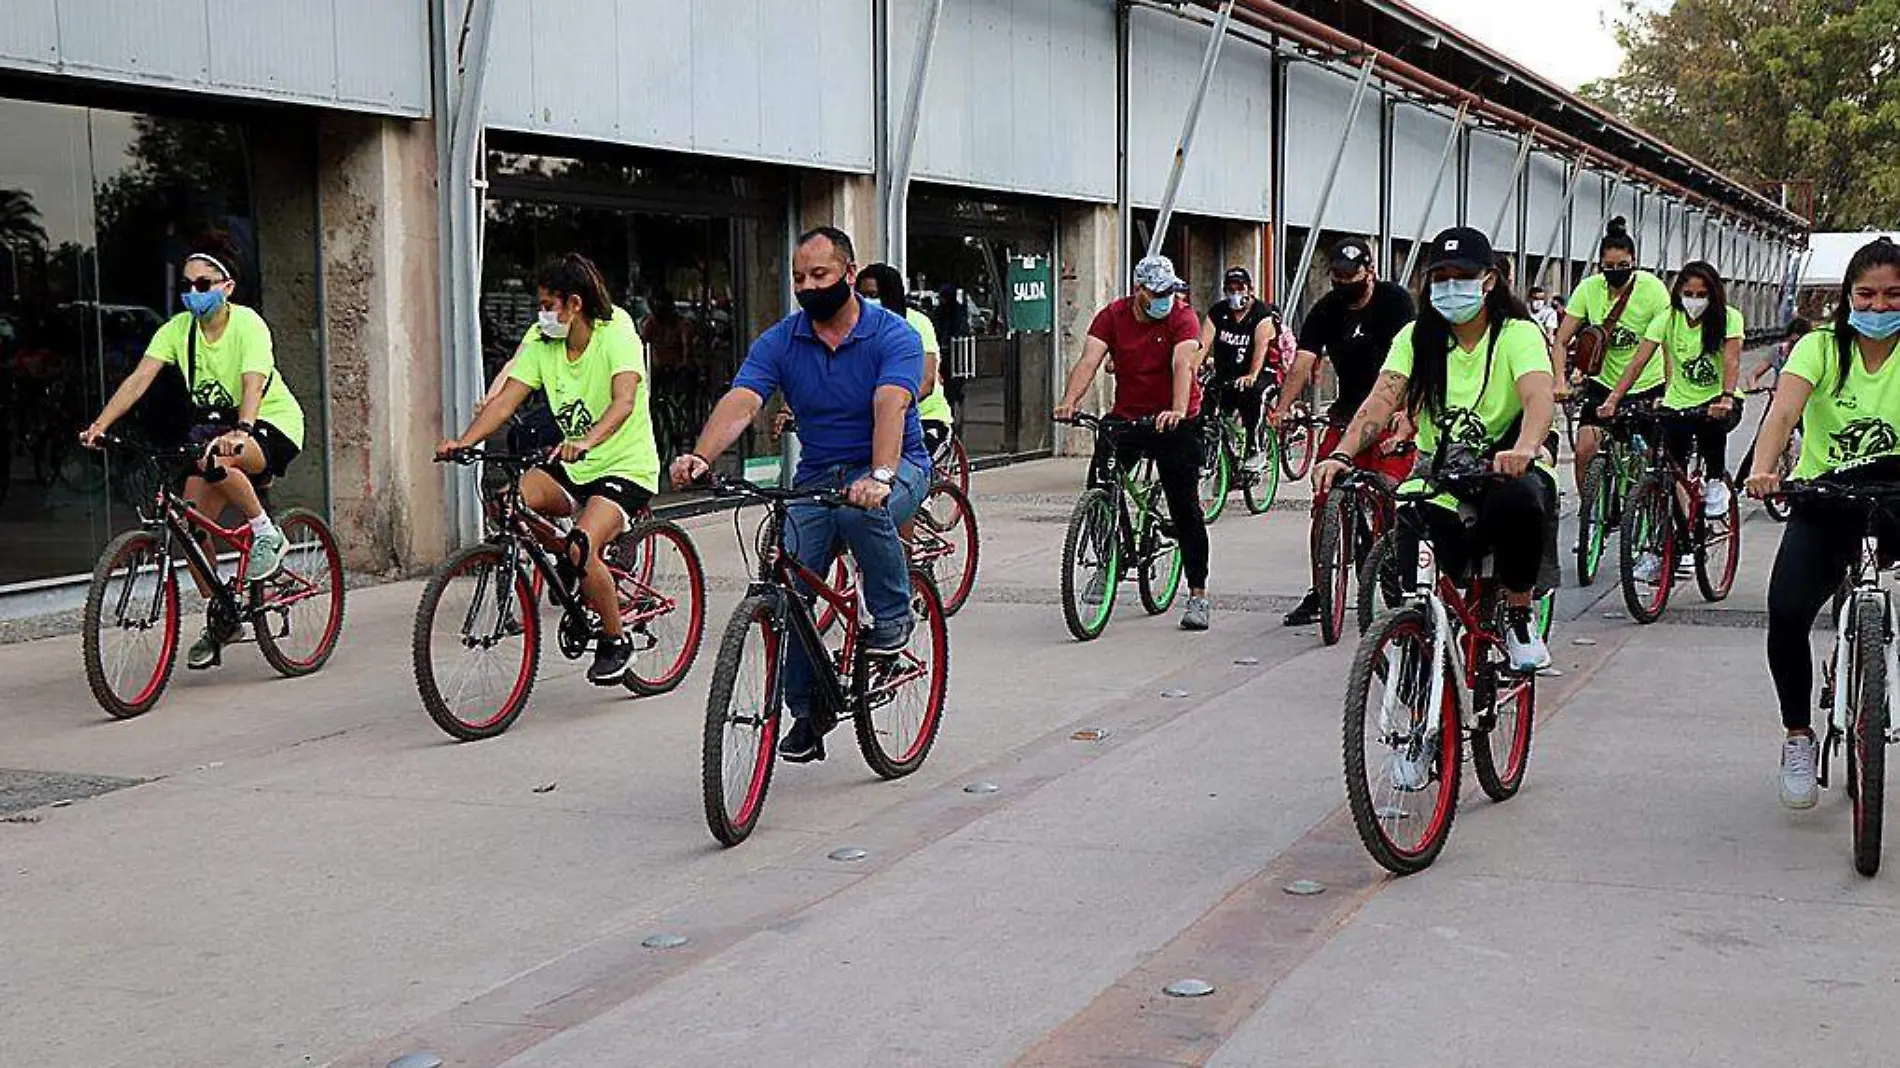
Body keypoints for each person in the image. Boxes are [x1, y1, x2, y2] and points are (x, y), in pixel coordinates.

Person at [670, 227, 929, 764]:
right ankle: (808, 710)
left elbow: (890, 404)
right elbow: (743, 401)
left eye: (820, 275)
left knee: (862, 516)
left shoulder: (892, 334)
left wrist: (880, 476)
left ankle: (892, 617)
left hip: (895, 464)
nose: (808, 286)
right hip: (818, 475)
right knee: (786, 587)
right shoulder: (781, 341)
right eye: (798, 278)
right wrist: (703, 455)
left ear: (850, 275)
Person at [1314, 226, 1556, 675]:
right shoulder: (1416, 336)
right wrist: (1342, 453)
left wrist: (1525, 447)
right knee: (1410, 523)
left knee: (1517, 500)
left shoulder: (1517, 334)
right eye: (1438, 276)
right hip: (1439, 472)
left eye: (1460, 275)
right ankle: (1419, 634)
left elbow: (1539, 395)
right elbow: (1382, 398)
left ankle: (1520, 619)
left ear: (1488, 280)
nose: (1448, 286)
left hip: (1502, 465)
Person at [80, 236, 305, 670]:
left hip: (269, 424)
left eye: (204, 284)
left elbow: (253, 381)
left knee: (216, 458)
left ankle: (265, 534)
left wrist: (243, 429)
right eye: (188, 285)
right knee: (189, 527)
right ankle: (222, 615)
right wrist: (100, 426)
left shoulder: (248, 325)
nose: (194, 293)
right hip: (215, 430)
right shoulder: (176, 331)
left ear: (227, 287)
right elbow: (138, 379)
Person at [438, 252, 659, 686]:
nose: (541, 315)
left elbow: (624, 402)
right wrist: (464, 441)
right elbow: (506, 400)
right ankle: (570, 567)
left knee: (581, 545)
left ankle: (615, 639)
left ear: (573, 304)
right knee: (508, 503)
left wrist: (587, 441)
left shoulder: (617, 333)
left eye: (546, 305)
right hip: (572, 463)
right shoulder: (543, 342)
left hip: (625, 465)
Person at [1746, 237, 1900, 809]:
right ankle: (1797, 735)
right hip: (1826, 494)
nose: (1880, 307)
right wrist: (1764, 469)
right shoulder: (1819, 348)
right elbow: (1783, 410)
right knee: (1786, 613)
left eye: (1893, 296)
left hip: (1896, 494)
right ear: (1847, 296)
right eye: (1868, 295)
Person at [1053, 254, 1212, 631]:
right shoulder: (1113, 316)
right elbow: (1090, 359)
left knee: (1184, 505)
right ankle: (1106, 561)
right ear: (1139, 291)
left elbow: (1182, 364)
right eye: (1157, 292)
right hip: (1128, 414)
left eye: (1169, 291)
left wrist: (1176, 409)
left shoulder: (1181, 317)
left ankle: (1198, 594)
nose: (1164, 299)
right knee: (1100, 485)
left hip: (1175, 418)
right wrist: (1070, 401)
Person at [1273, 236, 1417, 627]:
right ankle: (1321, 589)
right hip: (1345, 414)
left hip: (1390, 411)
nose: (1343, 283)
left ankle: (1393, 570)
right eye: (1336, 276)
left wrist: (1404, 413)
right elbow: (1304, 361)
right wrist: (1284, 407)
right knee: (1323, 497)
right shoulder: (1325, 310)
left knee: (1389, 490)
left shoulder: (1395, 302)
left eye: (1350, 276)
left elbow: (1413, 357)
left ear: (1369, 271)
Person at [1597, 260, 1744, 565]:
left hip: (1717, 401)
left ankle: (1715, 481)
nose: (1694, 300)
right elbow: (1637, 363)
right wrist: (1613, 399)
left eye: (1701, 293)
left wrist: (1727, 397)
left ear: (1713, 294)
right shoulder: (1666, 319)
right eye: (1688, 293)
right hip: (1677, 403)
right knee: (1667, 470)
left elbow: (1731, 362)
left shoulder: (1729, 319)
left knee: (1711, 427)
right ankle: (1674, 545)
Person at [1552, 217, 1672, 512]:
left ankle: (1646, 516)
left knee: (1650, 458)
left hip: (1646, 383)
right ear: (1599, 266)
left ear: (1634, 262)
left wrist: (1670, 389)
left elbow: (1664, 345)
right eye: (1609, 267)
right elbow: (1561, 340)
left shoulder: (1653, 290)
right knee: (1584, 450)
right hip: (1602, 384)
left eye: (1623, 266)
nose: (1616, 273)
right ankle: (1591, 514)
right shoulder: (1589, 290)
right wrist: (1559, 381)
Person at [856, 263, 954, 460]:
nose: (866, 302)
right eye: (861, 296)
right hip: (874, 421)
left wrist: (889, 408)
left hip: (925, 419)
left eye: (873, 295)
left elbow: (926, 383)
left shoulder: (917, 323)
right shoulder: (855, 329)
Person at [1199, 266, 1277, 471]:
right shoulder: (1218, 312)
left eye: (1239, 288)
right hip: (1226, 373)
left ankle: (1256, 448)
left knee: (1255, 395)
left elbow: (1261, 348)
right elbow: (1203, 344)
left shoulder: (1262, 314)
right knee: (1207, 404)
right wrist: (1194, 366)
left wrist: (1252, 374)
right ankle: (1212, 453)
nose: (1235, 294)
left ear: (1250, 289)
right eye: (1230, 289)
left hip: (1260, 373)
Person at [1745, 316, 1813, 391]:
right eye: (1792, 342)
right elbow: (1752, 375)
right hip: (1778, 395)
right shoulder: (1778, 351)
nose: (1795, 346)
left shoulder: (1810, 355)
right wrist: (1754, 389)